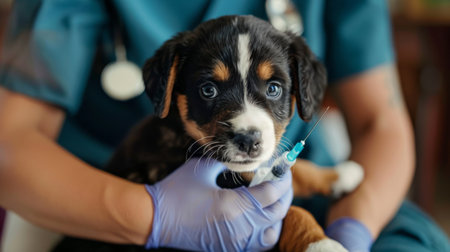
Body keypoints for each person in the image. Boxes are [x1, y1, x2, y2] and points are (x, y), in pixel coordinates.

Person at [0, 0, 448, 251]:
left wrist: (349, 233)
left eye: (274, 90)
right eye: (210, 91)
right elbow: (9, 146)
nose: (247, 123)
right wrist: (155, 217)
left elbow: (381, 120)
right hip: (109, 200)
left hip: (315, 194)